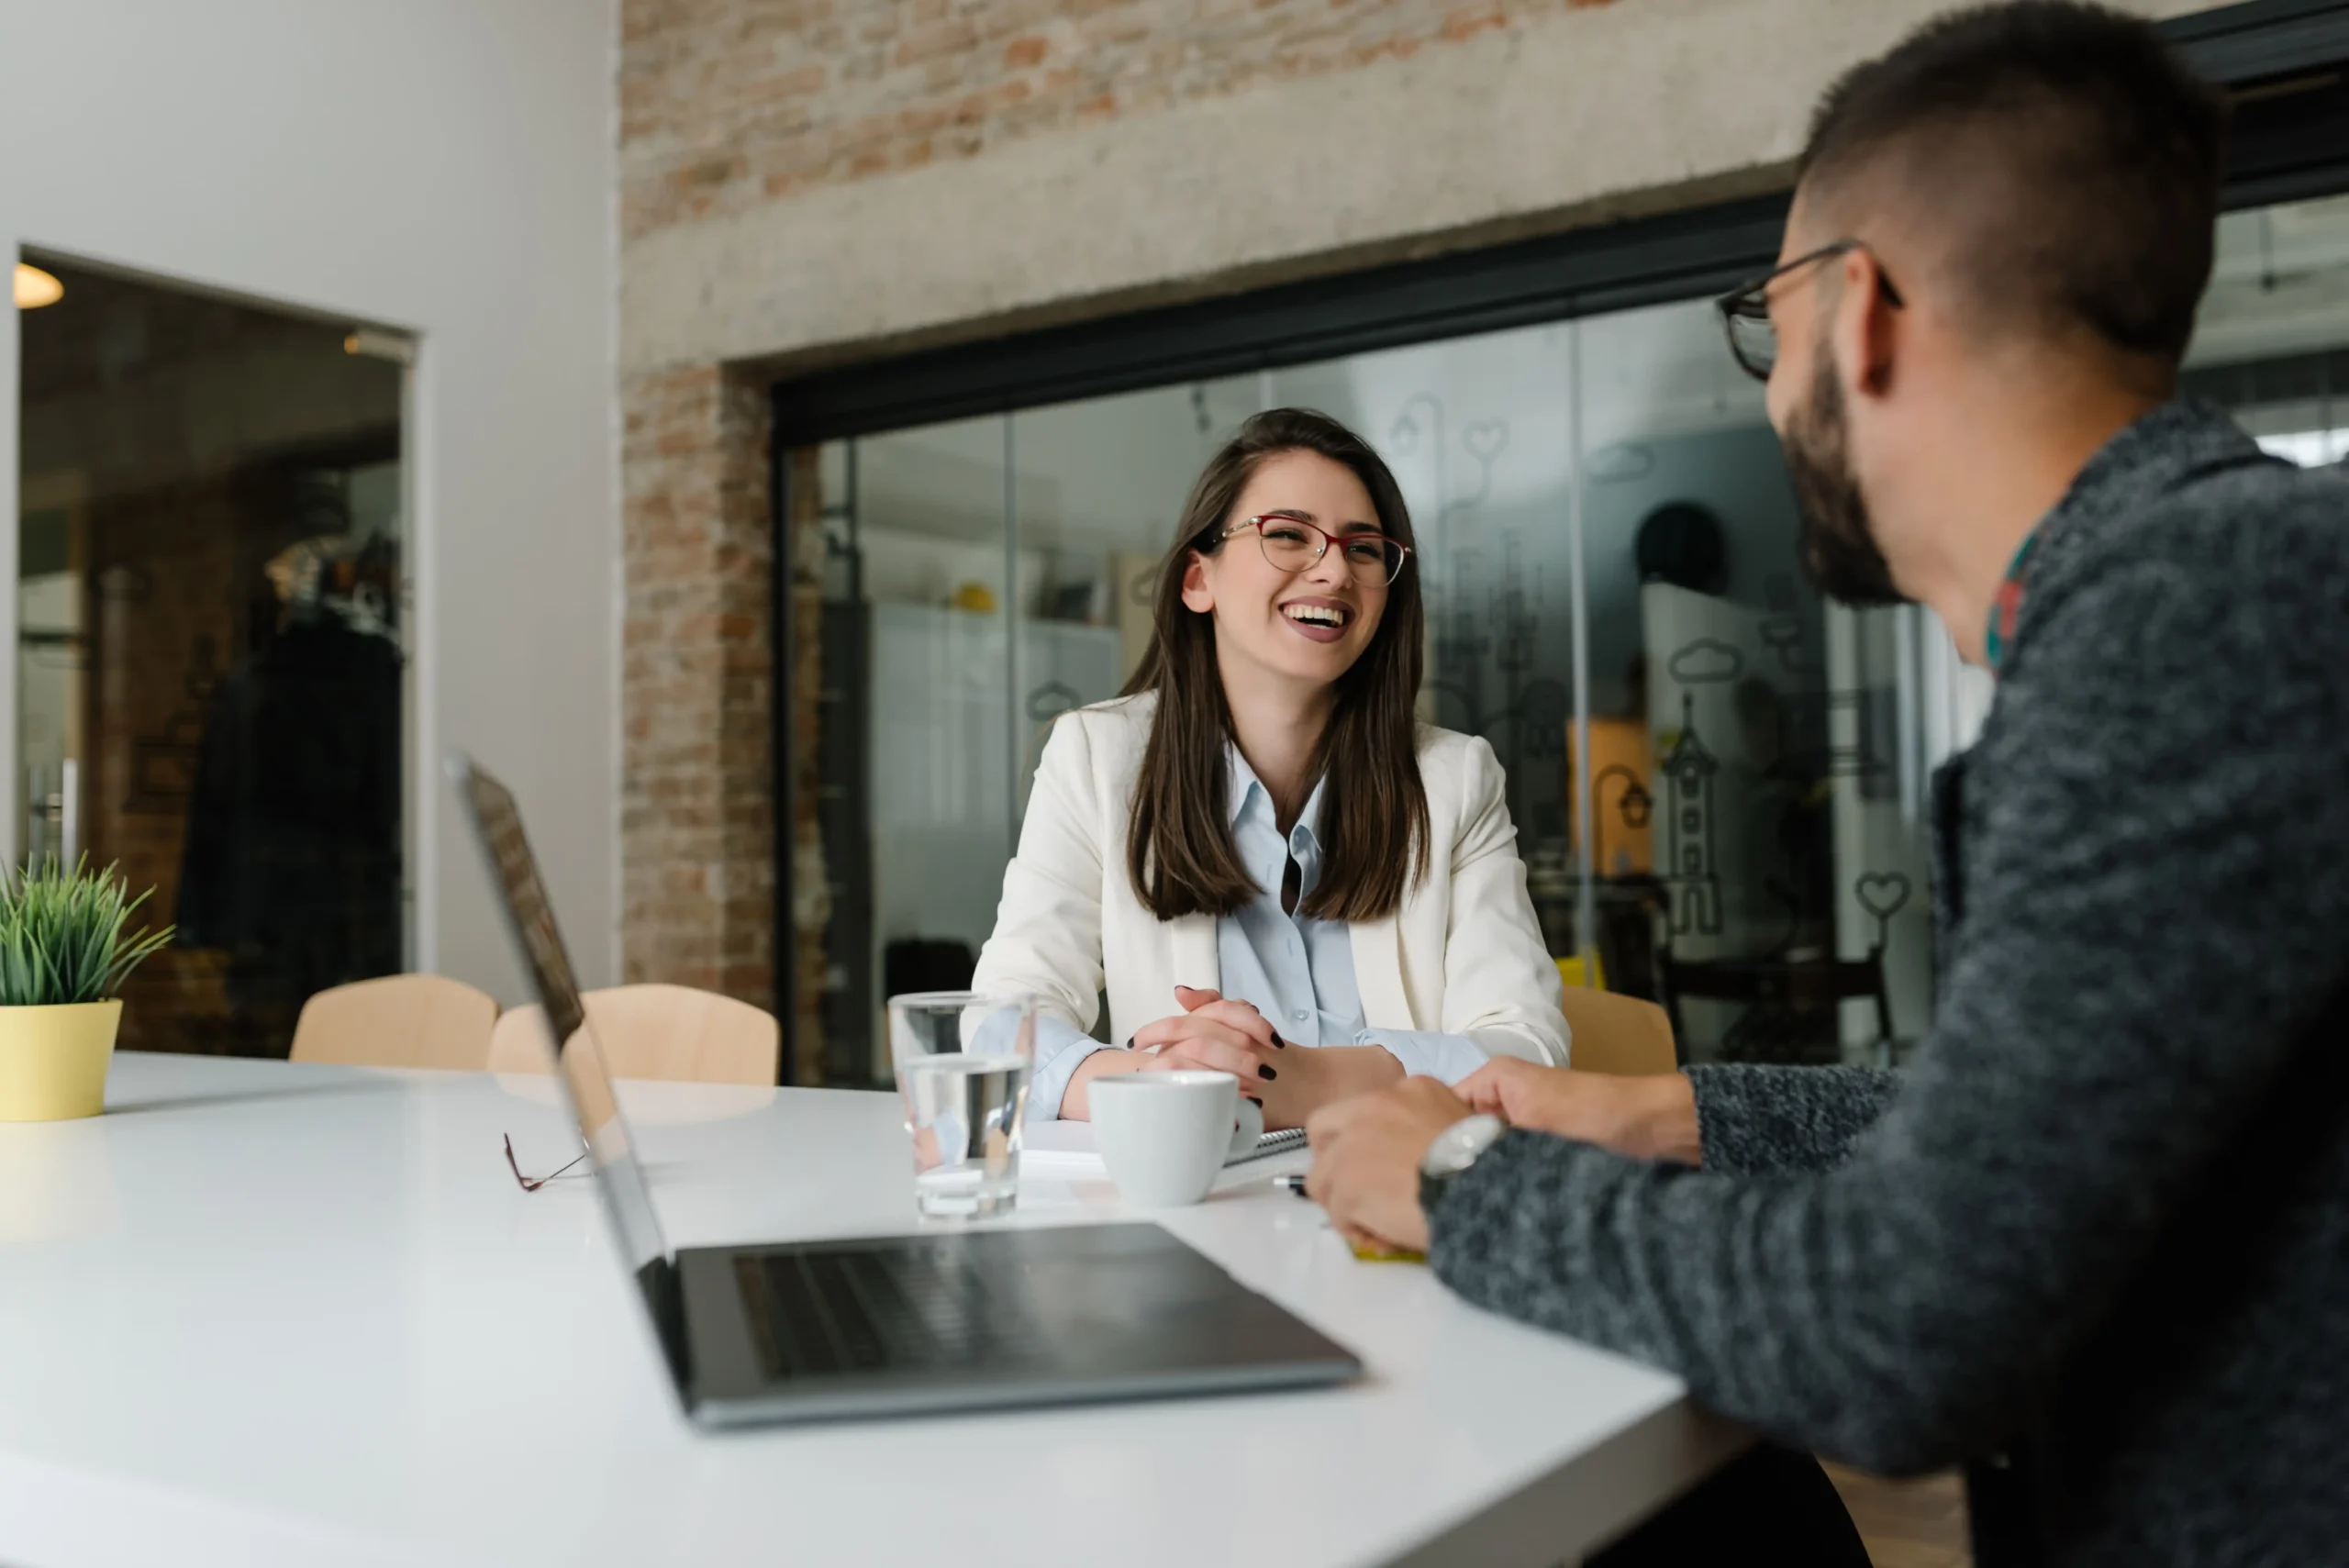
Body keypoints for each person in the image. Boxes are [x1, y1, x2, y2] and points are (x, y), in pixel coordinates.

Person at [1306, 5, 2349, 1565]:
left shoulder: (2184, 628)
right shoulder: (2213, 593)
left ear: (1856, 311)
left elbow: (1902, 1323)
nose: (1769, 383)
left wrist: (1456, 1175)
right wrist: (1680, 1112)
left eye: (1766, 327)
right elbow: (2023, 1130)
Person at [970, 408, 1568, 1128]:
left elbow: (1529, 1052)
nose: (1334, 569)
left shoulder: (1456, 782)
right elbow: (1002, 1026)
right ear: (1198, 579)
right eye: (1288, 534)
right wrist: (1169, 1079)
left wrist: (1315, 1079)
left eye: (1366, 548)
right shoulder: (1096, 760)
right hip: (1198, 1205)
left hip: (1406, 1202)